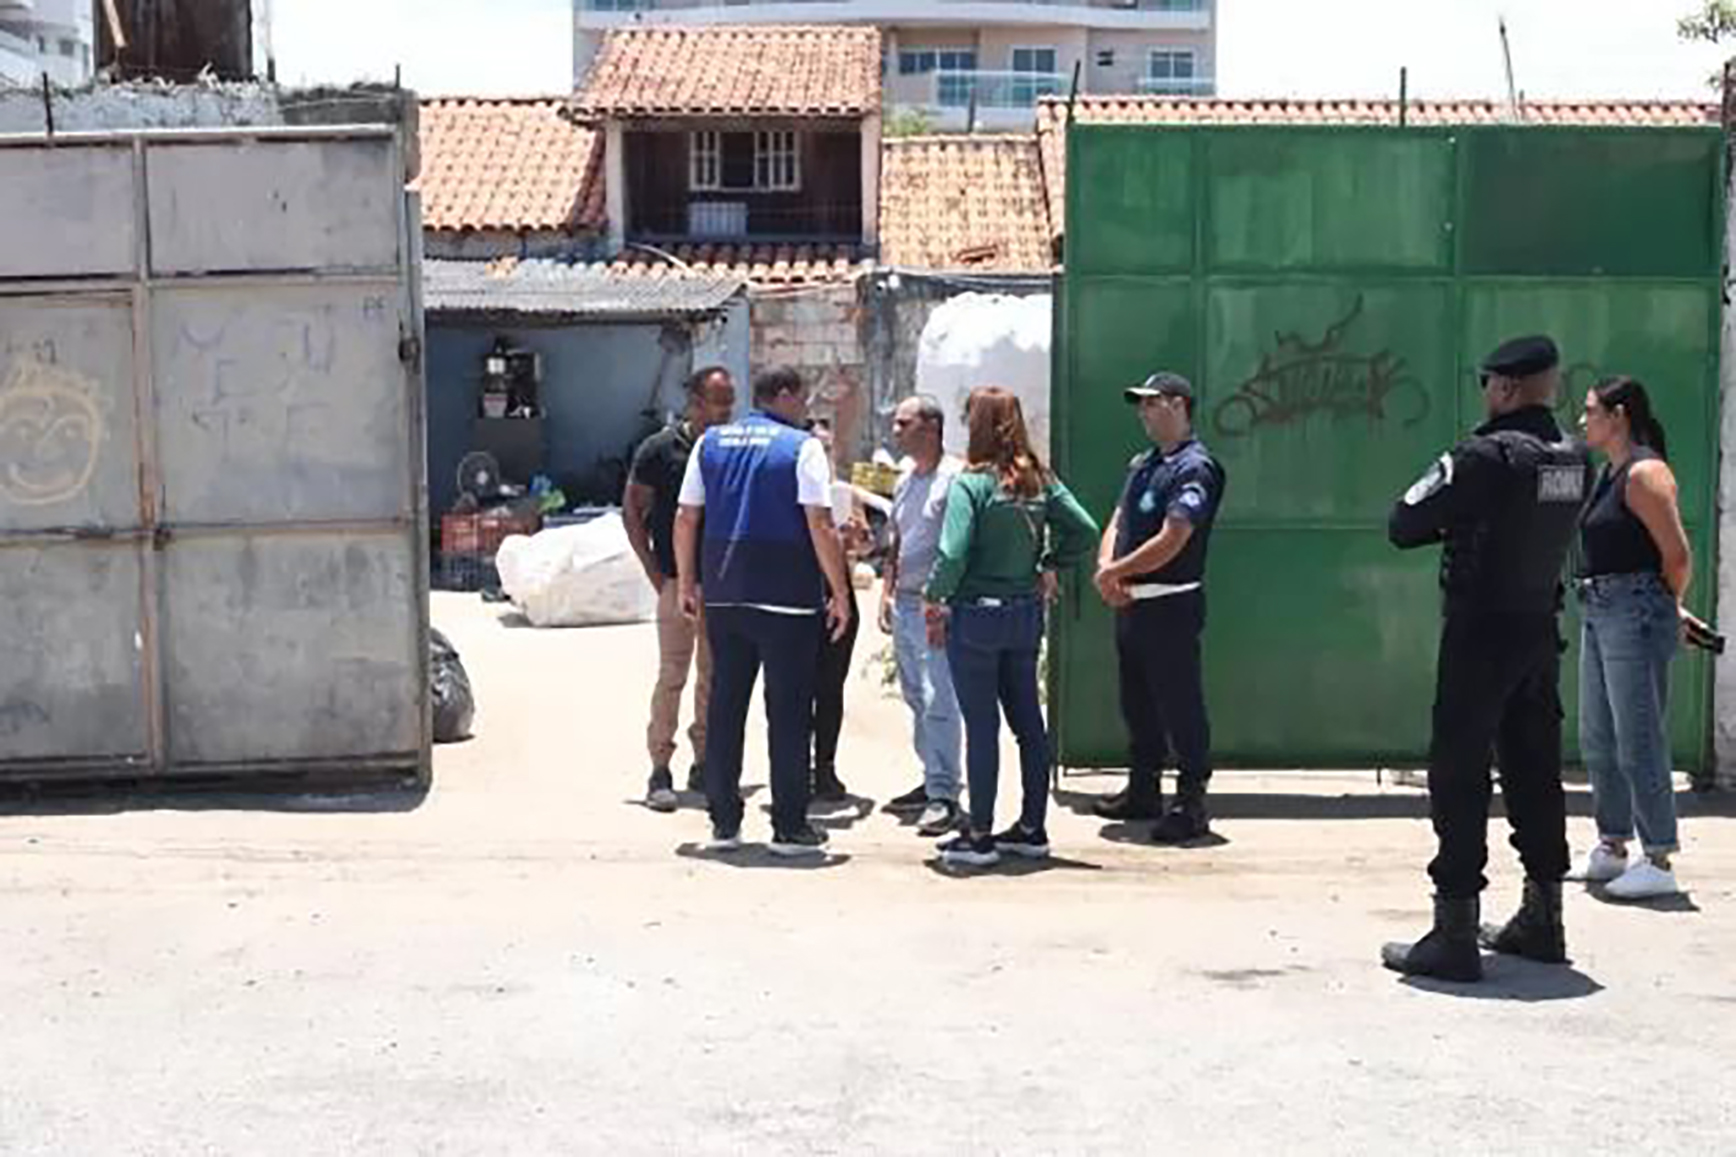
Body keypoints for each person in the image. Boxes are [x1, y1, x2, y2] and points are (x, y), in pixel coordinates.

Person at [1381, 335, 1592, 983]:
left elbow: (1404, 521)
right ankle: (1544, 915)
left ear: (1502, 387)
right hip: (1537, 627)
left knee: (1460, 768)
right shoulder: (1576, 458)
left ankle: (1454, 929)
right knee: (1534, 766)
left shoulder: (1484, 455)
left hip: (1479, 630)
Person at [674, 366, 853, 857]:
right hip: (788, 596)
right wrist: (838, 590)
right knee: (789, 711)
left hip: (726, 594)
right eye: (802, 399)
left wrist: (687, 582)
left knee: (726, 706)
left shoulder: (710, 444)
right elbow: (819, 521)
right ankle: (790, 827)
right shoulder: (801, 446)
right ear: (787, 395)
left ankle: (724, 822)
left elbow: (687, 515)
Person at [924, 387, 1100, 868]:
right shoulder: (1038, 480)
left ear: (976, 425)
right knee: (1028, 724)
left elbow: (953, 552)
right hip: (1024, 613)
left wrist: (934, 594)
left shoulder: (972, 484)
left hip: (976, 616)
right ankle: (1031, 827)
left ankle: (979, 834)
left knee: (982, 726)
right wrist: (1049, 561)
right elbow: (1084, 529)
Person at [1091, 372, 1227, 844]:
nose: (1144, 413)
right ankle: (1143, 790)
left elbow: (1175, 537)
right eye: (1141, 405)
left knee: (1180, 706)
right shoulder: (1144, 464)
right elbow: (1120, 518)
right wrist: (1109, 566)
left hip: (1170, 605)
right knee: (1138, 705)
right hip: (1131, 604)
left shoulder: (1195, 467)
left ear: (1179, 405)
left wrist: (1117, 572)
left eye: (1152, 404)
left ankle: (1192, 802)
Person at [1575, 376, 1696, 900]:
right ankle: (1613, 845)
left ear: (1618, 414)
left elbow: (1677, 556)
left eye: (1591, 411)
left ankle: (1659, 855)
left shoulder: (1645, 473)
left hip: (1634, 608)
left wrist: (1666, 607)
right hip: (1598, 606)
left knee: (1638, 734)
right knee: (1598, 734)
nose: (1583, 421)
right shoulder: (1609, 473)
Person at [623, 366, 736, 812]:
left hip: (721, 584)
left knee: (713, 679)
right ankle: (660, 767)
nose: (726, 411)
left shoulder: (730, 447)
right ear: (695, 401)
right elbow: (632, 512)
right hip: (675, 582)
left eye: (730, 401)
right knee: (673, 675)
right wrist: (656, 575)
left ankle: (705, 762)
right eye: (718, 401)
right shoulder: (659, 449)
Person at [880, 396, 966, 837]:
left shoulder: (954, 480)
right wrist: (886, 591)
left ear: (931, 427)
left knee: (939, 699)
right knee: (916, 696)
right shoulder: (906, 481)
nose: (895, 431)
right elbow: (897, 538)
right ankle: (931, 775)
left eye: (903, 423)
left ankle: (945, 794)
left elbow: (957, 546)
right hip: (906, 603)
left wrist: (943, 600)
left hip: (937, 606)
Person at [807, 416, 865, 804]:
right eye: (816, 447)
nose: (822, 455)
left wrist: (853, 540)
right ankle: (795, 767)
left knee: (830, 689)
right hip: (798, 593)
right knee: (794, 689)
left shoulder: (844, 494)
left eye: (827, 448)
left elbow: (863, 546)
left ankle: (824, 768)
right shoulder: (788, 489)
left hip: (837, 590)